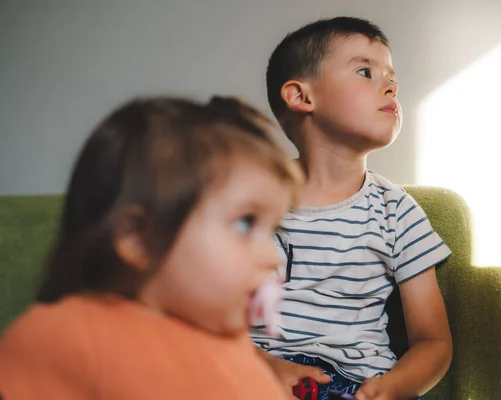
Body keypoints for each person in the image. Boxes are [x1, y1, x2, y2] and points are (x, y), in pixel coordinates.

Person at [0, 96, 300, 399]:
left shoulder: (227, 335)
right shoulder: (67, 337)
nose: (270, 257)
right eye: (245, 224)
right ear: (138, 237)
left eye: (272, 229)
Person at [251, 17, 453, 400]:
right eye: (366, 71)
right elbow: (198, 318)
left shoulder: (398, 212)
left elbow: (433, 341)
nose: (391, 86)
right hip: (252, 374)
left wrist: (391, 388)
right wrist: (266, 367)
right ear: (301, 97)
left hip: (356, 384)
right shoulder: (246, 203)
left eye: (392, 77)